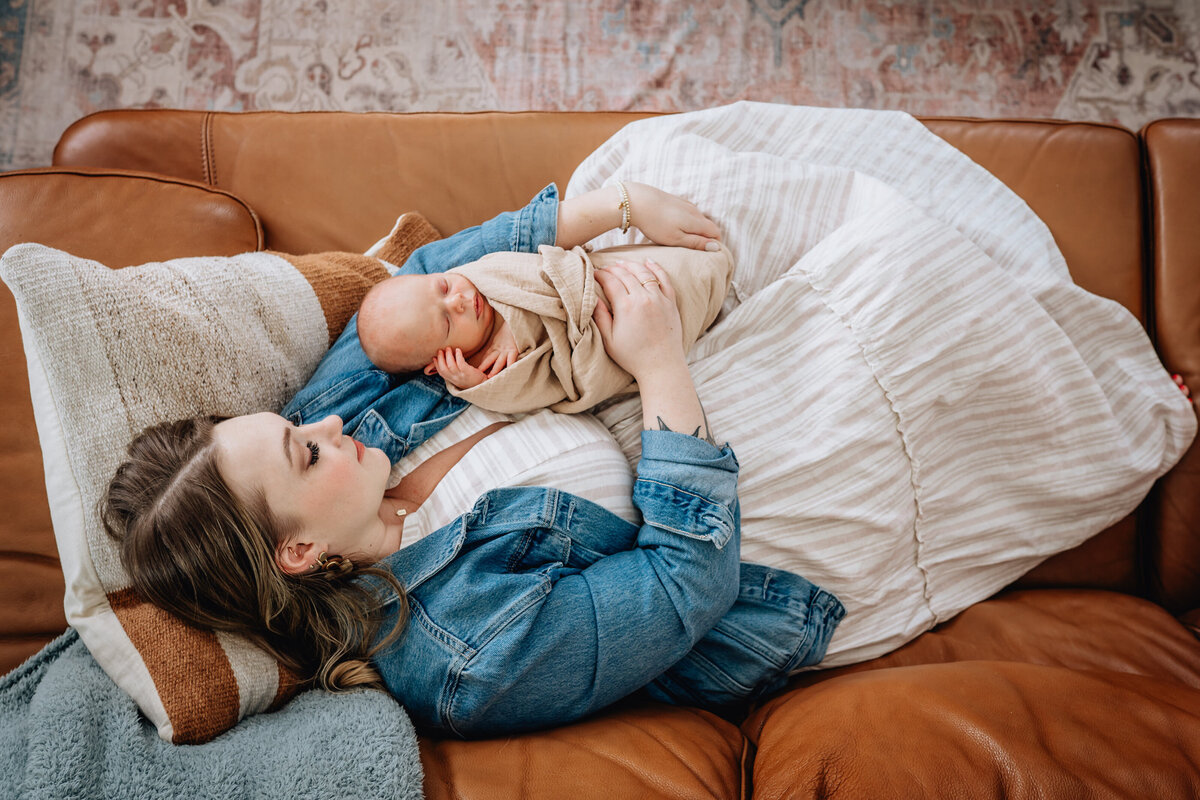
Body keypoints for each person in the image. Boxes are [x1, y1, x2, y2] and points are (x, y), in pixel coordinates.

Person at [102, 183, 844, 738]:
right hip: (729, 519)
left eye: (295, 425)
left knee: (737, 183)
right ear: (299, 550)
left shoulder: (335, 422)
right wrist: (655, 363)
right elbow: (685, 584)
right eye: (307, 451)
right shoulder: (464, 657)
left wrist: (618, 206)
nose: (324, 419)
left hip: (634, 351)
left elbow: (418, 284)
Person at [354, 216, 733, 414]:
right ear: (439, 363)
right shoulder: (486, 372)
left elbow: (548, 266)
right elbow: (538, 390)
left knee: (661, 276)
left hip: (597, 286)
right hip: (602, 344)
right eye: (447, 322)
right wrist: (473, 384)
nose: (459, 301)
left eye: (442, 287)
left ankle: (708, 271)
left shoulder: (482, 273)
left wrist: (514, 321)